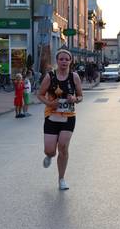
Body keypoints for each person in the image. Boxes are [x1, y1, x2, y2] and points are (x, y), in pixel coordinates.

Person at [37, 48, 83, 190]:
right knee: (50, 150)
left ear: (70, 61)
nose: (64, 61)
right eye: (61, 59)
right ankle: (50, 156)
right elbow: (40, 94)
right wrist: (50, 103)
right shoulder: (50, 76)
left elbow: (81, 96)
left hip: (68, 117)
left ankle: (61, 179)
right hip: (52, 116)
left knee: (63, 148)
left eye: (66, 59)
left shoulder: (74, 76)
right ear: (57, 61)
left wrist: (75, 98)